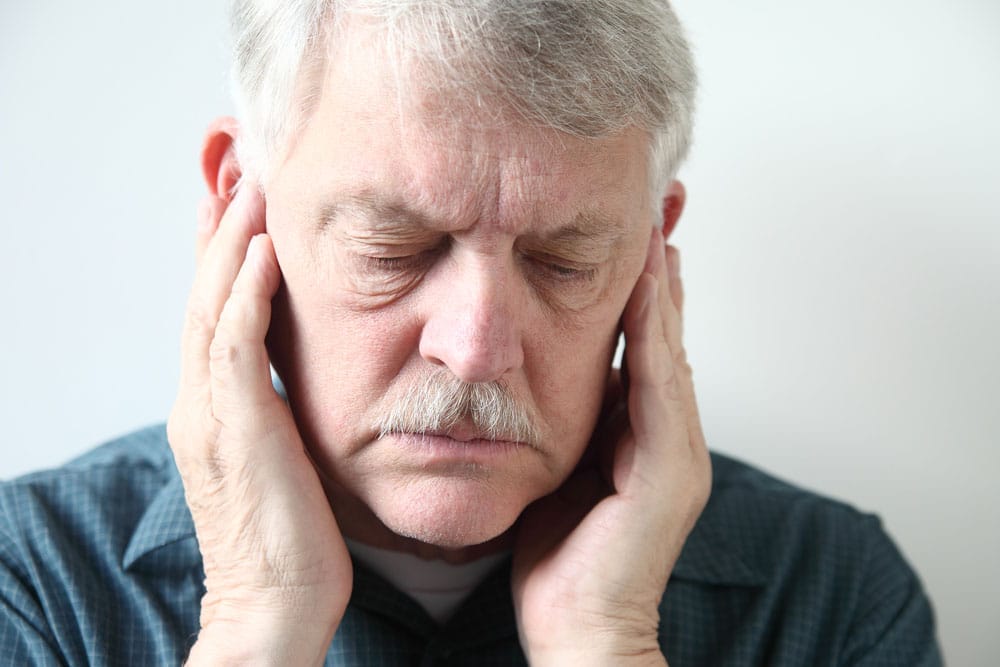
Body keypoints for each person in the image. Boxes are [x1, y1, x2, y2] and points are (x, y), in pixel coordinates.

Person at [0, 1, 942, 665]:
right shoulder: (34, 581)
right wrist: (257, 628)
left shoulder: (829, 594)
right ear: (238, 202)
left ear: (653, 247)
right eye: (395, 246)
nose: (478, 345)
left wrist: (606, 643)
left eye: (564, 259)